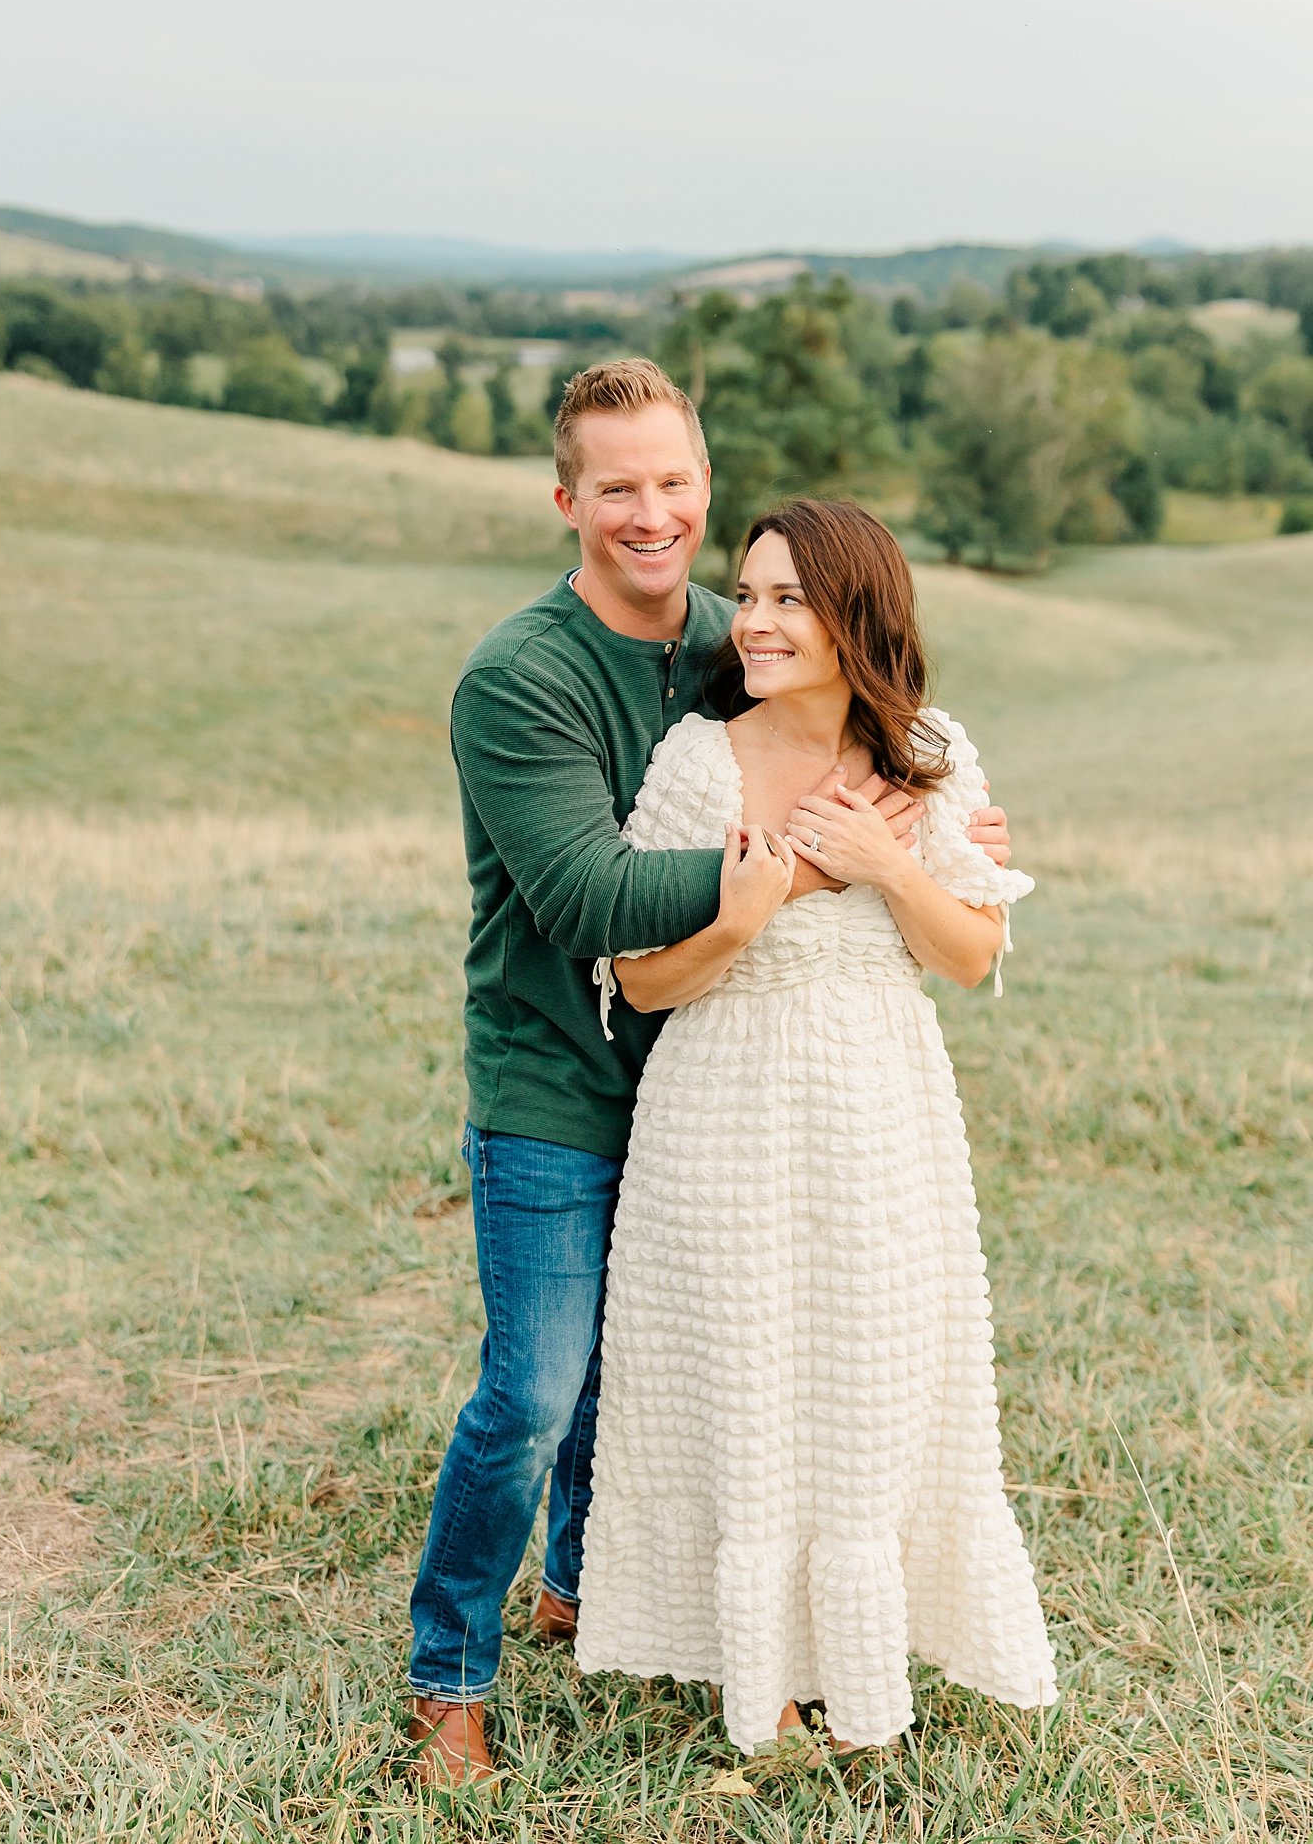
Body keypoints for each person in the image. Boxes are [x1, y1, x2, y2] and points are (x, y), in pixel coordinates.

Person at [406, 363, 1015, 1788]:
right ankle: (450, 1673)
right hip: (563, 1082)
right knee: (545, 1386)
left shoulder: (721, 647)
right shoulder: (522, 676)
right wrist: (839, 854)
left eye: (674, 481)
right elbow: (585, 895)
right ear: (567, 499)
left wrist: (940, 824)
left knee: (665, 1376)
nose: (653, 512)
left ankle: (586, 1589)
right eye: (616, 486)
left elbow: (874, 738)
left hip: (731, 1092)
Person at [573, 497, 1057, 1755]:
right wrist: (747, 912)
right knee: (745, 1377)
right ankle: (763, 1674)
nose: (760, 623)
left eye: (792, 599)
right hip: (722, 1104)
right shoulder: (699, 759)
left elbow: (971, 954)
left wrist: (889, 866)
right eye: (753, 595)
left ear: (858, 613)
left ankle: (860, 1652)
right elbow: (640, 979)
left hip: (880, 1108)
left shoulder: (930, 754)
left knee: (871, 1376)